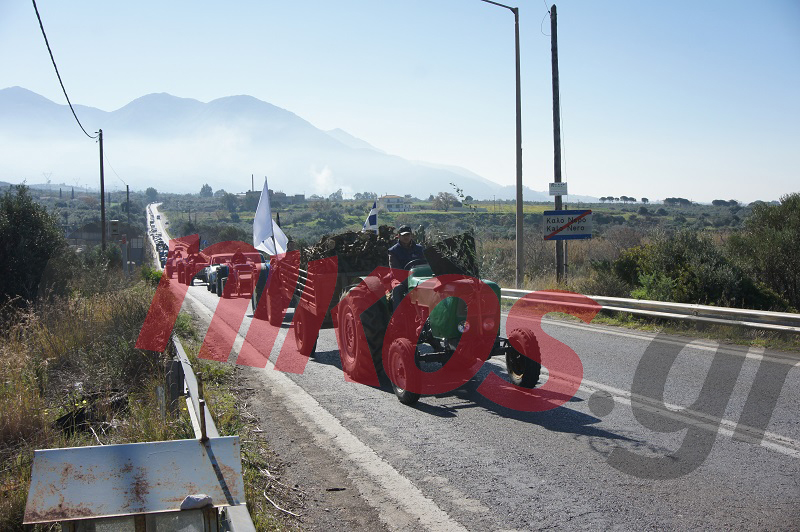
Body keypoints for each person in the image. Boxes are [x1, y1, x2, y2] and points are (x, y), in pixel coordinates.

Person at [388, 225, 425, 310]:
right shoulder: (393, 251)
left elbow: (425, 264)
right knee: (397, 289)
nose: (406, 237)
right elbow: (395, 271)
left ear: (411, 235)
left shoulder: (419, 249)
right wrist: (410, 282)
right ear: (399, 236)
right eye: (403, 235)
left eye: (408, 235)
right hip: (401, 279)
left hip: (419, 278)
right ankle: (397, 317)